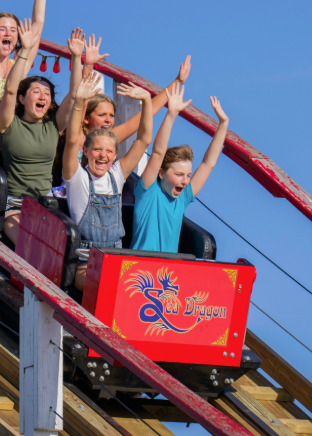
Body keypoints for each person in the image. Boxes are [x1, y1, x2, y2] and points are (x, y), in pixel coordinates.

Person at [63, 71, 152, 290]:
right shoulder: (77, 177)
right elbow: (72, 138)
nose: (103, 155)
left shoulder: (116, 175)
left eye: (109, 151)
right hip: (86, 261)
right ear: (86, 151)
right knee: (103, 284)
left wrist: (147, 101)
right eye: (97, 150)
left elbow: (143, 139)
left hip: (116, 259)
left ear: (114, 155)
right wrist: (80, 101)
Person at [0, 17, 79, 245]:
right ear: (23, 99)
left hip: (46, 204)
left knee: (62, 243)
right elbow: (10, 90)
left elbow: (74, 95)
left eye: (47, 93)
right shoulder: (9, 124)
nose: (43, 96)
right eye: (36, 91)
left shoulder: (53, 126)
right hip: (14, 204)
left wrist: (77, 58)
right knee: (28, 241)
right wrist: (26, 50)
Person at [130, 84, 229, 253]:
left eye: (188, 175)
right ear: (161, 173)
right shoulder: (148, 191)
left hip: (166, 275)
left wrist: (223, 125)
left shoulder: (181, 199)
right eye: (179, 174)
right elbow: (158, 153)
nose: (185, 181)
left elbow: (207, 164)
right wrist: (171, 113)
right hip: (139, 271)